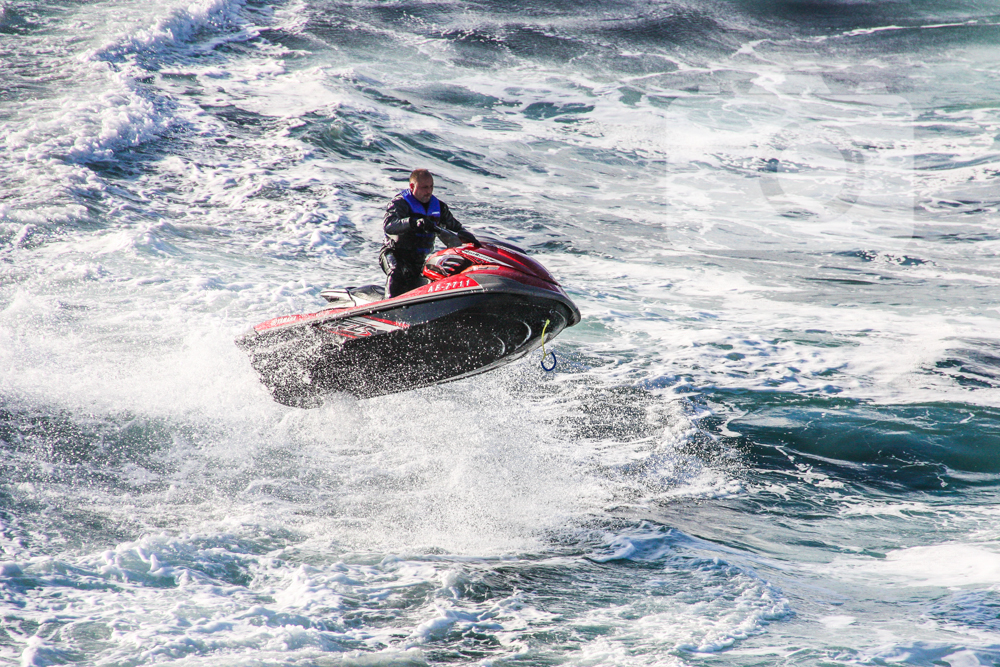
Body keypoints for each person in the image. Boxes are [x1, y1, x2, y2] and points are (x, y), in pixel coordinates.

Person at [380, 168, 478, 298]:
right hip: (394, 254)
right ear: (412, 186)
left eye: (431, 187)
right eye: (424, 187)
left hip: (419, 260)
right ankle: (388, 306)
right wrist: (414, 222)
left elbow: (455, 227)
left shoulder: (439, 207)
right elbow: (389, 225)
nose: (428, 191)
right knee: (396, 271)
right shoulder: (400, 203)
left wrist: (465, 235)